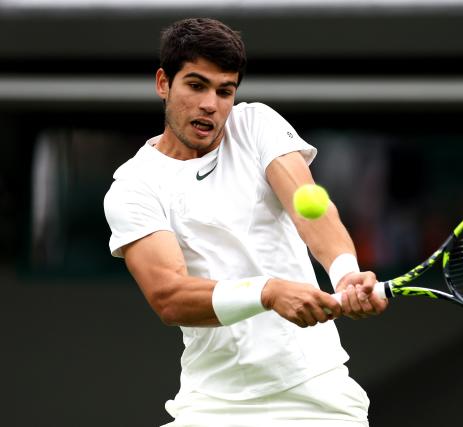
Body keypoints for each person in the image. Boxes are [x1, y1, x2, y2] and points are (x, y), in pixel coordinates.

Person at [103, 17, 388, 426]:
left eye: (225, 91)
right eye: (196, 85)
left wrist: (345, 273)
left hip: (315, 395)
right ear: (163, 83)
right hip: (211, 405)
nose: (211, 105)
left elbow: (310, 205)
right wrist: (268, 292)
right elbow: (169, 296)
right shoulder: (134, 186)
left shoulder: (255, 124)